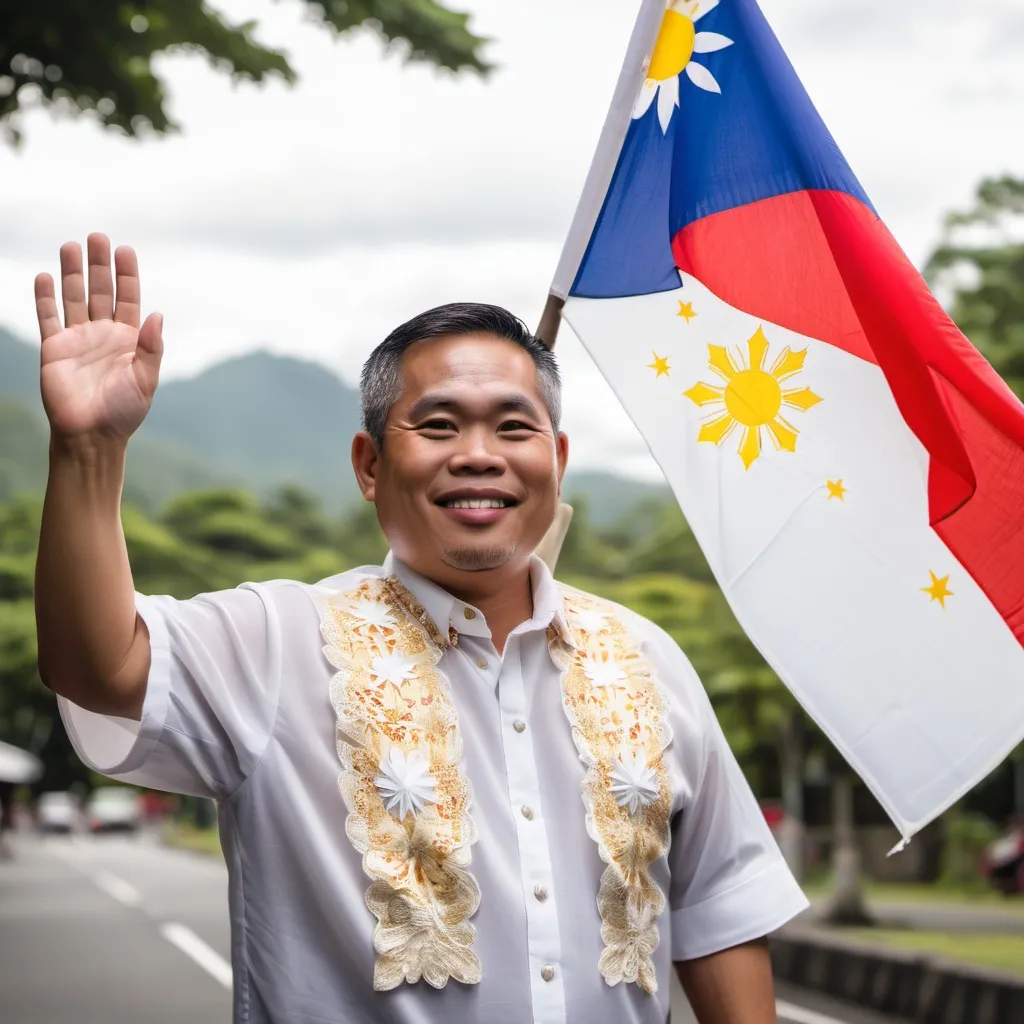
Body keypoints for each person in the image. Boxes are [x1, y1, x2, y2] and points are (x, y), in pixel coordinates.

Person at [34, 234, 809, 1024]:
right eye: (438, 426)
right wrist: (89, 452)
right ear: (369, 465)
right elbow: (99, 667)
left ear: (559, 457)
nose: (478, 455)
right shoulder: (278, 642)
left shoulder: (650, 661)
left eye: (514, 428)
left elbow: (720, 913)